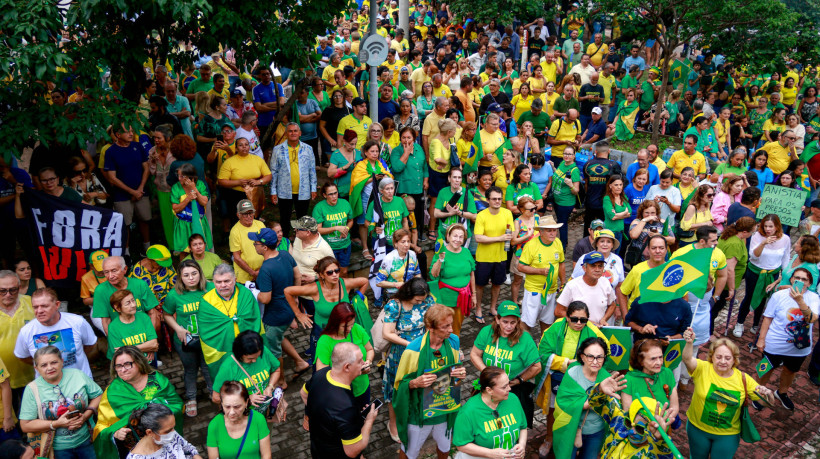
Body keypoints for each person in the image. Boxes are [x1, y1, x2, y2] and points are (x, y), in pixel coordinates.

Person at [681, 328, 774, 459]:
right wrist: (689, 342)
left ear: (734, 360)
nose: (723, 361)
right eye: (718, 357)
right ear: (712, 357)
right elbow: (687, 359)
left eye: (727, 358)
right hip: (697, 429)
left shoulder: (744, 379)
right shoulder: (703, 368)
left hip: (727, 435)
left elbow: (767, 403)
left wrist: (768, 394)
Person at [392, 305, 466, 459]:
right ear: (430, 328)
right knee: (410, 451)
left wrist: (460, 374)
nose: (451, 330)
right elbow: (399, 385)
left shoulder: (453, 341)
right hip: (419, 413)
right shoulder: (413, 350)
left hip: (444, 408)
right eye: (445, 326)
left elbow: (454, 371)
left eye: (451, 324)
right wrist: (415, 383)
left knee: (445, 446)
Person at [93, 347, 183, 459]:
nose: (123, 370)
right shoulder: (112, 392)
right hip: (137, 450)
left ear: (139, 362)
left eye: (127, 364)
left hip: (166, 442)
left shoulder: (158, 380)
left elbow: (177, 405)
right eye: (119, 366)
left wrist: (158, 407)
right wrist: (115, 433)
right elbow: (102, 425)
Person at [18, 346, 102, 459]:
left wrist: (86, 416)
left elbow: (98, 395)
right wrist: (56, 424)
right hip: (57, 449)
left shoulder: (77, 375)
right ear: (36, 368)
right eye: (44, 365)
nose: (50, 368)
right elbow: (25, 425)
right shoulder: (32, 389)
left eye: (54, 362)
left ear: (62, 362)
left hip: (87, 440)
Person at [754, 267, 819, 411]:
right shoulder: (778, 296)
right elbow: (767, 318)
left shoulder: (814, 298)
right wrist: (761, 339)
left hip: (799, 347)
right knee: (765, 369)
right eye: (797, 278)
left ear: (809, 283)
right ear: (791, 279)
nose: (800, 281)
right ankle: (759, 392)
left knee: (790, 371)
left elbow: (811, 319)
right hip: (774, 343)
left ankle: (782, 392)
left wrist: (800, 300)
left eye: (804, 279)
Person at [252, 227, 311, 384]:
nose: (254, 245)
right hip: (288, 309)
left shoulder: (266, 269)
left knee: (274, 350)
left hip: (274, 316)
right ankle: (300, 362)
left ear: (264, 247)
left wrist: (253, 292)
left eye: (256, 243)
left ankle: (281, 382)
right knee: (279, 337)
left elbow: (265, 298)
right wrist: (295, 297)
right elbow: (297, 276)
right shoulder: (285, 254)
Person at [469, 301, 541, 428]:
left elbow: (537, 366)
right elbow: (474, 354)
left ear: (518, 322)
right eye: (505, 322)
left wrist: (520, 380)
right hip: (488, 387)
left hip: (511, 389)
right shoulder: (487, 332)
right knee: (486, 423)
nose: (509, 326)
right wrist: (488, 374)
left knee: (510, 424)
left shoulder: (525, 339)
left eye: (513, 322)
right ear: (497, 319)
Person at [302, 342, 378, 458]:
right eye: (360, 361)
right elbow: (353, 451)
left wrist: (320, 416)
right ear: (347, 367)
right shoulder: (346, 407)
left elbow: (303, 393)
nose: (364, 363)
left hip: (317, 449)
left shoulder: (321, 374)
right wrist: (369, 420)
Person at [381, 278, 436, 442]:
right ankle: (393, 423)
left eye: (423, 299)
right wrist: (411, 345)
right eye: (417, 300)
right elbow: (387, 333)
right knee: (396, 388)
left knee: (418, 385)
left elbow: (432, 321)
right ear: (408, 294)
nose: (421, 302)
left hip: (422, 352)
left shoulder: (427, 300)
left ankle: (414, 416)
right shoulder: (394, 305)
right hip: (401, 354)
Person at [285, 256, 368, 360]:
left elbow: (365, 281)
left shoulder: (345, 284)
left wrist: (355, 302)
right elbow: (287, 291)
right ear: (321, 275)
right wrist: (298, 314)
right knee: (322, 362)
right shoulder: (314, 289)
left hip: (343, 331)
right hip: (323, 332)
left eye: (337, 271)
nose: (335, 275)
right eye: (330, 272)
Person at [162, 259, 212, 416]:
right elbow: (166, 314)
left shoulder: (210, 288)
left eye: (194, 273)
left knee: (208, 366)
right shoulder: (174, 295)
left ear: (200, 273)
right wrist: (177, 328)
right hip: (186, 341)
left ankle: (214, 392)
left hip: (208, 339)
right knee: (190, 369)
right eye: (186, 275)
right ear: (180, 277)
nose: (191, 278)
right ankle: (191, 398)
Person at [14, 287, 97, 378]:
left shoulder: (77, 322)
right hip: (48, 385)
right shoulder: (26, 331)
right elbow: (22, 356)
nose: (39, 311)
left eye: (44, 306)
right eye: (35, 307)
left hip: (80, 380)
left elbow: (90, 345)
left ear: (57, 305)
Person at [198, 263, 262, 375]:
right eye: (218, 282)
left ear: (235, 280)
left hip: (248, 347)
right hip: (222, 350)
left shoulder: (245, 294)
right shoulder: (206, 302)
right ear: (213, 282)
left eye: (227, 281)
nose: (223, 285)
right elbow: (206, 330)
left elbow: (253, 319)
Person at [552, 337, 611, 459]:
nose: (595, 361)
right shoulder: (572, 373)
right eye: (590, 356)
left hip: (596, 430)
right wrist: (591, 401)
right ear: (582, 357)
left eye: (599, 357)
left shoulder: (606, 378)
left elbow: (610, 408)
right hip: (571, 429)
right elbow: (562, 403)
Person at [452, 366, 529, 458]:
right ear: (489, 390)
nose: (509, 389)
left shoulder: (513, 399)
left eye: (508, 384)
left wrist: (522, 445)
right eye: (504, 387)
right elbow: (461, 445)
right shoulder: (467, 412)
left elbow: (523, 427)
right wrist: (490, 453)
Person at [102, 125, 152, 250]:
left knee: (145, 219)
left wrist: (140, 188)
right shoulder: (110, 152)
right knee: (124, 224)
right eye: (127, 132)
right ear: (118, 135)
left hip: (141, 192)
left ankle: (147, 248)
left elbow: (146, 168)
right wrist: (132, 192)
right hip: (121, 195)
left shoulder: (138, 146)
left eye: (131, 131)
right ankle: (126, 253)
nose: (131, 134)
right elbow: (112, 178)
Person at [315, 303, 374, 409]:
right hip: (340, 394)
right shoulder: (325, 341)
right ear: (335, 323)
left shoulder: (357, 329)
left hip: (362, 387)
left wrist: (368, 362)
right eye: (345, 326)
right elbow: (321, 373)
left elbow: (369, 349)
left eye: (352, 324)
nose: (349, 329)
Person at [211, 330, 280, 416]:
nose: (254, 361)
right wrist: (247, 399)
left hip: (265, 411)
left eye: (257, 357)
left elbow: (276, 370)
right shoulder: (228, 367)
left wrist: (270, 386)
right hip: (242, 417)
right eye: (250, 358)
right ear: (239, 354)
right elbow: (216, 398)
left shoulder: (263, 351)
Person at [517, 216, 565, 333]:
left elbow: (561, 264)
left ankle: (543, 343)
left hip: (551, 291)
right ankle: (523, 342)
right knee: (527, 323)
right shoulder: (531, 245)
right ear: (541, 232)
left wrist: (563, 282)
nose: (553, 233)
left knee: (547, 322)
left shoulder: (557, 243)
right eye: (549, 230)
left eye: (554, 230)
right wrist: (540, 271)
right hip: (534, 291)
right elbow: (520, 267)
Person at [269, 123, 318, 238]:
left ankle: (300, 240)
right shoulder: (277, 149)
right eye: (290, 131)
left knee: (302, 218)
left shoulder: (308, 149)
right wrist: (273, 191)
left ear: (300, 133)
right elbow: (274, 171)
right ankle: (284, 241)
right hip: (284, 190)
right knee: (285, 218)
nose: (293, 133)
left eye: (295, 131)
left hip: (303, 190)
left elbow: (312, 170)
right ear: (286, 133)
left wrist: (313, 188)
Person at [91, 256, 159, 336]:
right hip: (120, 333)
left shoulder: (140, 284)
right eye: (106, 272)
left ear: (125, 269)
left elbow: (152, 313)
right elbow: (106, 321)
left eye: (114, 271)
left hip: (143, 329)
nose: (110, 276)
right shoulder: (101, 290)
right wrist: (115, 341)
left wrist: (150, 337)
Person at [473, 186, 514, 316]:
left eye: (499, 199)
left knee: (497, 284)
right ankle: (478, 309)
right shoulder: (481, 215)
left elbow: (511, 233)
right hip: (483, 257)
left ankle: (492, 308)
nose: (497, 201)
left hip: (501, 256)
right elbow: (478, 238)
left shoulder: (507, 213)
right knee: (480, 285)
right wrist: (499, 238)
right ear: (488, 200)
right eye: (494, 199)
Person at [430, 224, 477, 334]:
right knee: (443, 327)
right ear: (448, 237)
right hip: (446, 300)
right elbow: (434, 275)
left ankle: (454, 344)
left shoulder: (466, 252)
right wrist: (440, 259)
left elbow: (471, 274)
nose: (458, 239)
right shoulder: (441, 253)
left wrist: (474, 295)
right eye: (455, 236)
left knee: (456, 327)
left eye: (461, 237)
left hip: (462, 298)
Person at [207, 381, 271, 459]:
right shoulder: (214, 425)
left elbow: (266, 455)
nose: (232, 412)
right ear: (222, 404)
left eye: (237, 407)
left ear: (246, 402)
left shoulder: (258, 419)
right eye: (227, 407)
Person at [621, 339, 679, 423]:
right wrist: (653, 425)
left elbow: (674, 407)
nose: (659, 362)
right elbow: (629, 414)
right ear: (641, 361)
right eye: (653, 359)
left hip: (664, 425)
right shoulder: (628, 380)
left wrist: (663, 422)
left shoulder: (667, 373)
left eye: (660, 357)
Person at [558, 252, 617, 326]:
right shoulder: (572, 285)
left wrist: (604, 319)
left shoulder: (605, 283)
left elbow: (612, 305)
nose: (597, 269)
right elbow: (558, 311)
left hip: (598, 329)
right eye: (593, 266)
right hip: (577, 329)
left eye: (600, 266)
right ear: (584, 268)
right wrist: (586, 322)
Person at [125, 404, 201, 459]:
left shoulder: (169, 432)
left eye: (173, 427)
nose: (173, 432)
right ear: (149, 432)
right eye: (168, 431)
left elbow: (189, 449)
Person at [391, 127, 428, 233]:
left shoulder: (418, 148)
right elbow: (397, 168)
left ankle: (418, 235)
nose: (406, 140)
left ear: (414, 138)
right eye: (403, 137)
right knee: (405, 217)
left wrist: (425, 180)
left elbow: (424, 166)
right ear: (400, 138)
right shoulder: (396, 151)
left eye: (409, 137)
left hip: (418, 188)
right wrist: (406, 153)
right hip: (404, 189)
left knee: (418, 213)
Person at [312, 183, 354, 277]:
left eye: (335, 193)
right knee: (329, 274)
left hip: (344, 245)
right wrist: (335, 228)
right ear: (324, 195)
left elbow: (351, 221)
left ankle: (343, 287)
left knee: (344, 272)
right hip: (328, 247)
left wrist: (346, 228)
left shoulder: (345, 203)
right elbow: (318, 230)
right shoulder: (319, 208)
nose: (334, 196)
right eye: (330, 194)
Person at [105, 289, 158, 362]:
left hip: (149, 360)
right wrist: (146, 347)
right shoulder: (113, 327)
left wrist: (127, 349)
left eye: (133, 300)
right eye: (128, 303)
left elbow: (154, 344)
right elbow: (121, 354)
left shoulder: (143, 317)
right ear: (117, 308)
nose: (133, 305)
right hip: (129, 364)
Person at [170, 163, 212, 253]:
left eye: (182, 176)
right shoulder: (176, 188)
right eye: (178, 175)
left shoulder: (200, 185)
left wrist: (194, 189)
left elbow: (204, 202)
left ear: (190, 177)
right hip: (183, 224)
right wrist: (188, 198)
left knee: (200, 250)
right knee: (184, 252)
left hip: (199, 222)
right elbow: (176, 209)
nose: (179, 178)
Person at [582, 142, 620, 232]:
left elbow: (586, 184)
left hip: (590, 201)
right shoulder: (613, 165)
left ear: (595, 151)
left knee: (588, 228)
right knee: (605, 230)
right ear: (609, 151)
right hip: (607, 204)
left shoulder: (587, 164)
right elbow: (618, 187)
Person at [229, 199, 266, 283]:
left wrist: (261, 270)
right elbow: (236, 257)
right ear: (238, 215)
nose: (249, 216)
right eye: (245, 214)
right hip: (244, 278)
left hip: (263, 272)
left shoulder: (260, 225)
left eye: (251, 213)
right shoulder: (235, 231)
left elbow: (268, 248)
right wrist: (253, 273)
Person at [552, 146, 581, 246]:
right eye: (565, 153)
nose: (567, 156)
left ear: (574, 156)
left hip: (565, 203)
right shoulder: (562, 163)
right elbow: (558, 174)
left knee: (562, 224)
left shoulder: (574, 170)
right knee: (560, 222)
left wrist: (570, 185)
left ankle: (563, 246)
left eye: (569, 154)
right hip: (557, 199)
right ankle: (562, 242)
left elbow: (576, 191)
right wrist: (553, 167)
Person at [602, 174, 630, 247]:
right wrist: (624, 213)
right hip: (610, 232)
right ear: (610, 186)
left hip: (620, 231)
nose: (619, 187)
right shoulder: (607, 199)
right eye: (616, 185)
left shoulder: (623, 197)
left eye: (621, 185)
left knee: (617, 253)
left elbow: (629, 213)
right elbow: (612, 216)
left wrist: (617, 215)